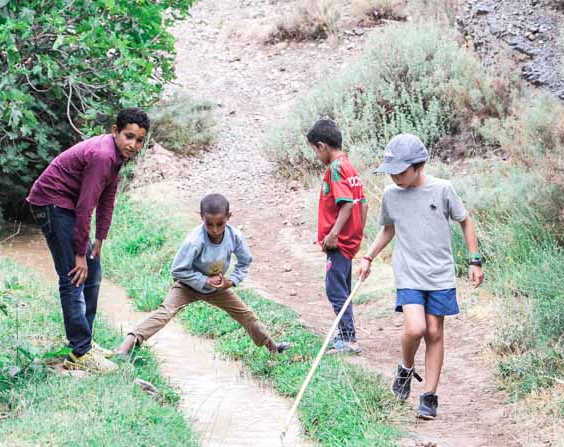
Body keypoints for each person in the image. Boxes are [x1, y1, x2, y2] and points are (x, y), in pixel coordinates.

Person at [357, 133, 484, 419]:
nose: (395, 178)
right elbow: (388, 229)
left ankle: (429, 396)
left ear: (420, 165)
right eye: (390, 172)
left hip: (439, 274)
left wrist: (474, 260)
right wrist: (368, 257)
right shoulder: (391, 195)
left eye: (400, 172)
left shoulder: (442, 189)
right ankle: (404, 368)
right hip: (409, 273)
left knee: (435, 332)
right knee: (416, 328)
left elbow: (465, 221)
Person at [27, 108, 149, 373]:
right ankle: (79, 352)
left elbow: (107, 199)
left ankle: (85, 344)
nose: (133, 144)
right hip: (52, 202)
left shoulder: (118, 157)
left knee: (92, 271)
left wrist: (99, 241)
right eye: (129, 136)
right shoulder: (103, 155)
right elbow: (85, 207)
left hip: (68, 206)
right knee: (73, 274)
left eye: (140, 140)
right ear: (115, 132)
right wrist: (80, 254)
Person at [116, 193, 292, 356]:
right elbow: (177, 270)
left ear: (229, 217)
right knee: (165, 313)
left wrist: (230, 281)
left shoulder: (235, 236)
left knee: (245, 314)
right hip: (188, 286)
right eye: (209, 224)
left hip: (219, 287)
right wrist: (204, 280)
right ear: (201, 217)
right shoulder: (195, 240)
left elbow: (245, 261)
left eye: (220, 224)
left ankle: (273, 347)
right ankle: (127, 345)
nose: (215, 230)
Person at [307, 119, 367, 354]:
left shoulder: (335, 168)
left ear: (322, 146)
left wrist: (334, 235)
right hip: (349, 241)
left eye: (314, 150)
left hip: (339, 243)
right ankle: (345, 334)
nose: (316, 155)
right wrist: (357, 233)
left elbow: (348, 206)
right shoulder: (349, 166)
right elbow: (363, 204)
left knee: (335, 289)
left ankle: (348, 338)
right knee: (343, 288)